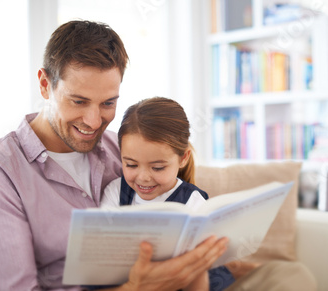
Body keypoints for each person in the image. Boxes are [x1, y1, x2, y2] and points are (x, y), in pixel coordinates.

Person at [0, 20, 228, 291]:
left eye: (108, 103)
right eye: (78, 101)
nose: (93, 121)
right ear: (45, 84)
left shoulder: (122, 150)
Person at [99, 96, 233, 290]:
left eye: (158, 168)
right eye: (131, 164)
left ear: (183, 158)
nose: (143, 177)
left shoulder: (194, 201)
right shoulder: (115, 191)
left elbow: (200, 270)